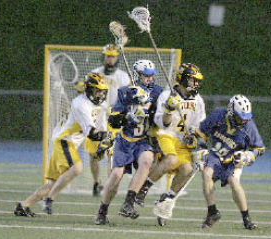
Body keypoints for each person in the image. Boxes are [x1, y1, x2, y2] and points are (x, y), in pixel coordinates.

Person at [14, 72, 110, 216]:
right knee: (77, 168)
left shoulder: (102, 105)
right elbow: (91, 132)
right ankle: (49, 199)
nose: (100, 95)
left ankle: (23, 206)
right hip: (64, 140)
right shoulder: (80, 104)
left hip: (69, 142)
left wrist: (106, 139)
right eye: (97, 91)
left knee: (53, 183)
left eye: (103, 92)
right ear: (89, 90)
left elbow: (102, 128)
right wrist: (107, 137)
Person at [135, 63, 206, 226]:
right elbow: (162, 124)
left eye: (197, 81)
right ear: (183, 79)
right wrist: (169, 108)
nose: (196, 84)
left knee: (188, 169)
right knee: (172, 160)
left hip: (181, 140)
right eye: (192, 80)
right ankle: (144, 188)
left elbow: (197, 127)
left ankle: (166, 198)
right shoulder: (168, 94)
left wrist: (195, 138)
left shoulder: (198, 100)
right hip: (165, 135)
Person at [95, 59, 163, 225]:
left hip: (143, 140)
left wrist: (153, 106)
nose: (150, 79)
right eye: (146, 76)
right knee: (116, 175)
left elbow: (160, 118)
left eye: (151, 76)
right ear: (137, 76)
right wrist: (128, 115)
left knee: (147, 161)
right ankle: (102, 211)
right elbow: (113, 120)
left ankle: (128, 203)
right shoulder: (125, 92)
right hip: (125, 141)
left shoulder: (158, 92)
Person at [197, 94, 266, 230]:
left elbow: (260, 148)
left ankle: (246, 218)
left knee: (234, 182)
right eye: (240, 116)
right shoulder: (218, 115)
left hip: (234, 159)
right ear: (230, 111)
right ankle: (212, 212)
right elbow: (201, 133)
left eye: (245, 117)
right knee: (206, 174)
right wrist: (201, 150)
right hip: (216, 154)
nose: (243, 120)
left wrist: (248, 155)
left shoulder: (249, 125)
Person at [84, 44, 130, 196]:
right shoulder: (95, 73)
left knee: (112, 154)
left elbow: (127, 100)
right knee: (93, 154)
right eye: (108, 56)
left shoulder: (123, 77)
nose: (110, 60)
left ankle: (110, 185)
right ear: (103, 57)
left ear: (117, 58)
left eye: (113, 56)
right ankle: (97, 182)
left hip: (114, 118)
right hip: (97, 116)